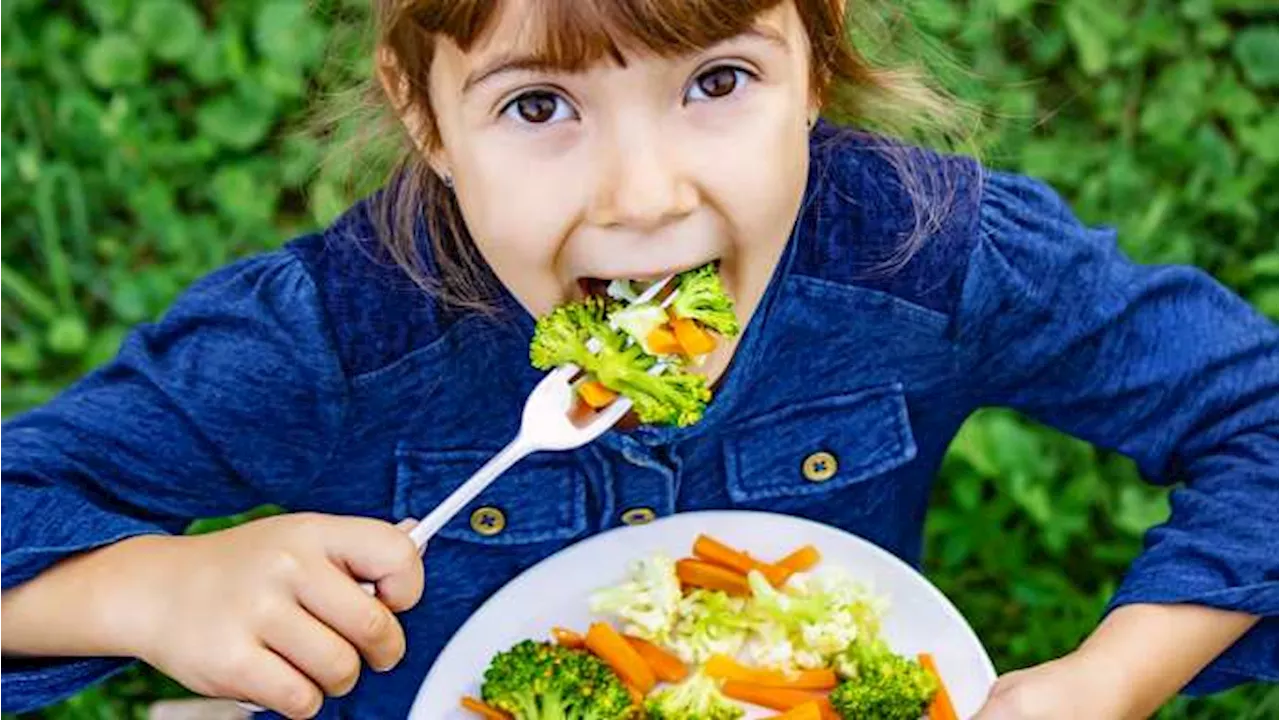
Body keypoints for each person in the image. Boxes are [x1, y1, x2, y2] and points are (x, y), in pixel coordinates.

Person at [1, 1, 1276, 718]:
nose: (644, 195)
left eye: (716, 81)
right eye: (538, 106)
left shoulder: (917, 256)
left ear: (816, 57)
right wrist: (144, 589)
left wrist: (1112, 678)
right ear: (423, 116)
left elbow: (1256, 418)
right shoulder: (330, 336)